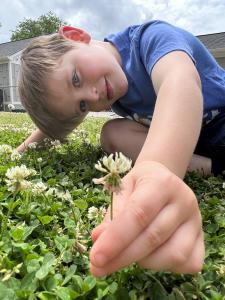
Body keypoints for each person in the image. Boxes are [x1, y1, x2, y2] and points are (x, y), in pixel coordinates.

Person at [17, 20, 225, 277]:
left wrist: (156, 168)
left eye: (75, 78)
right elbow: (57, 126)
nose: (93, 97)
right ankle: (214, 167)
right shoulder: (105, 87)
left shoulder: (150, 38)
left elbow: (179, 81)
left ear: (76, 36)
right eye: (82, 106)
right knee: (112, 133)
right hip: (201, 149)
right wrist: (22, 150)